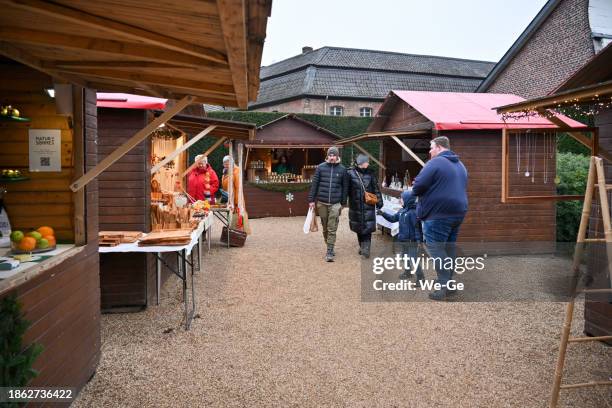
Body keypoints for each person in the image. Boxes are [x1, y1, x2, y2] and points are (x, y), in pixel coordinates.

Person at [412, 136, 468, 301]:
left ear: (438, 147)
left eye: (431, 147)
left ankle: (443, 287)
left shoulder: (435, 163)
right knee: (449, 249)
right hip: (458, 212)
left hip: (438, 214)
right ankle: (449, 284)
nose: (429, 151)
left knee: (436, 250)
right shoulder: (460, 165)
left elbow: (417, 186)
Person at [308, 146, 348, 262]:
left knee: (332, 227)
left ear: (337, 156)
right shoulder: (320, 168)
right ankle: (328, 244)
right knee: (325, 227)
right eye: (330, 155)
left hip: (335, 203)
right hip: (322, 202)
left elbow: (345, 187)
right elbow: (314, 185)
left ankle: (330, 250)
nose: (331, 157)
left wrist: (343, 202)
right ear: (327, 156)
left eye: (333, 155)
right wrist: (311, 200)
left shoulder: (342, 169)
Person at [378, 190, 424, 282]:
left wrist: (419, 241)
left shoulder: (413, 213)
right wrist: (382, 213)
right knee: (404, 257)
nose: (400, 200)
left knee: (413, 260)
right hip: (403, 240)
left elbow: (417, 228)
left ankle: (420, 278)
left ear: (408, 200)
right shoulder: (401, 211)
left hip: (412, 241)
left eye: (402, 198)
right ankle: (408, 272)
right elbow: (393, 219)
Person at [347, 154, 383, 259]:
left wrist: (379, 202)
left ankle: (366, 249)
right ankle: (362, 246)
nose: (368, 163)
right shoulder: (350, 173)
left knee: (368, 227)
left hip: (368, 205)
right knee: (358, 228)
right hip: (355, 205)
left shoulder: (371, 174)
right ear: (362, 163)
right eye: (367, 161)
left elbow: (376, 189)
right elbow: (347, 188)